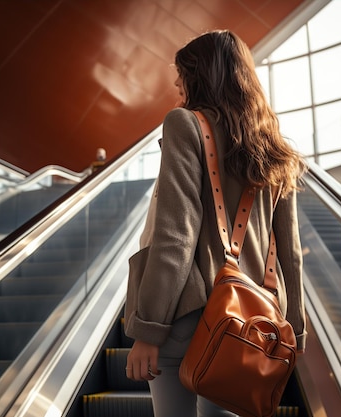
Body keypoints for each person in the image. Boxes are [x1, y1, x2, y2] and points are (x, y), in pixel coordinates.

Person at [124, 29, 307, 417]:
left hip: (188, 313)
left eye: (182, 75)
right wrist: (295, 333)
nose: (177, 84)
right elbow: (290, 253)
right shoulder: (278, 151)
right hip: (251, 325)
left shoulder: (185, 124)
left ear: (201, 75)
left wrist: (149, 329)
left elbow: (175, 236)